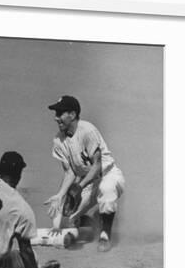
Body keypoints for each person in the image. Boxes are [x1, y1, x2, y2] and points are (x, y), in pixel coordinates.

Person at [43, 95, 125, 252]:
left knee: (106, 189)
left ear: (72, 115)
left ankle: (105, 235)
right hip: (89, 183)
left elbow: (97, 166)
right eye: (56, 114)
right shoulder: (58, 141)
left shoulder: (87, 130)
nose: (56, 118)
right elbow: (69, 173)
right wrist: (60, 195)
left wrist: (79, 187)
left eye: (60, 113)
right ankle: (93, 225)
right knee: (69, 220)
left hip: (109, 175)